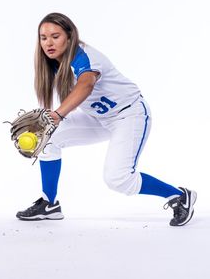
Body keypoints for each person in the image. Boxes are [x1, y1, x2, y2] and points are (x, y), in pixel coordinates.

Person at [16, 12, 197, 226]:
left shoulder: (84, 56)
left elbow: (86, 85)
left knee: (118, 179)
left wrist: (58, 115)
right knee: (48, 139)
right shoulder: (53, 62)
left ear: (70, 35)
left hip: (129, 115)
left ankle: (180, 196)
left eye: (55, 36)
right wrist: (48, 120)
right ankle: (49, 204)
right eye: (43, 37)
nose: (48, 42)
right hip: (98, 118)